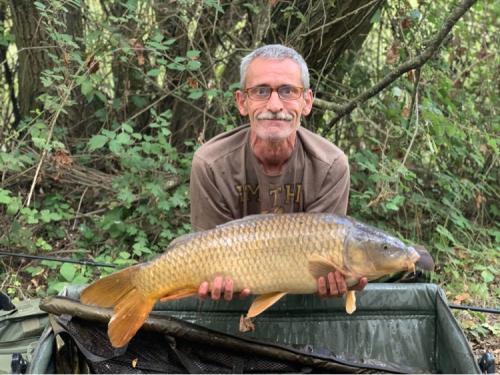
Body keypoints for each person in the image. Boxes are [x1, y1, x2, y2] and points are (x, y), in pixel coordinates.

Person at [190, 44, 368, 301]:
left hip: (301, 303)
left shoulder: (330, 165)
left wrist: (336, 277)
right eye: (261, 91)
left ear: (306, 102)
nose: (274, 105)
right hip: (232, 303)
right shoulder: (210, 163)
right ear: (242, 102)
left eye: (288, 91)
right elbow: (204, 253)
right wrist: (210, 279)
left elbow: (321, 258)